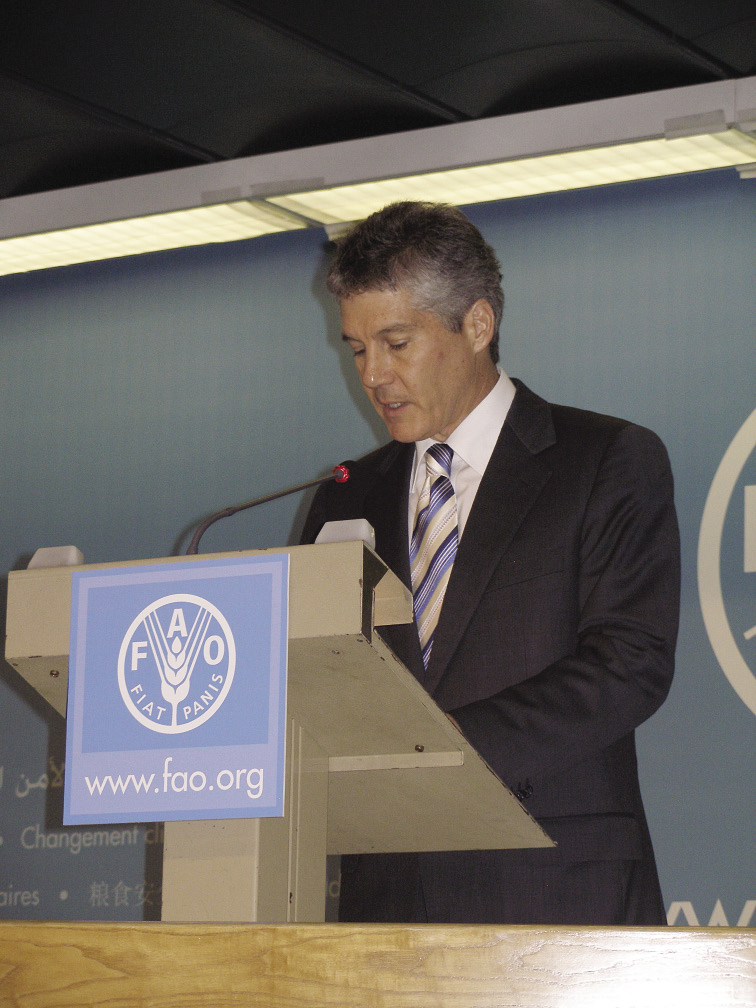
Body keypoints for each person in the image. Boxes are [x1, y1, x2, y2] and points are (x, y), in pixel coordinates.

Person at [302, 200, 680, 926]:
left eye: (396, 342)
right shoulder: (345, 499)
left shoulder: (604, 461)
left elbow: (629, 663)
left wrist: (437, 757)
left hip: (557, 889)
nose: (373, 375)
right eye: (356, 349)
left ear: (478, 324)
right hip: (389, 904)